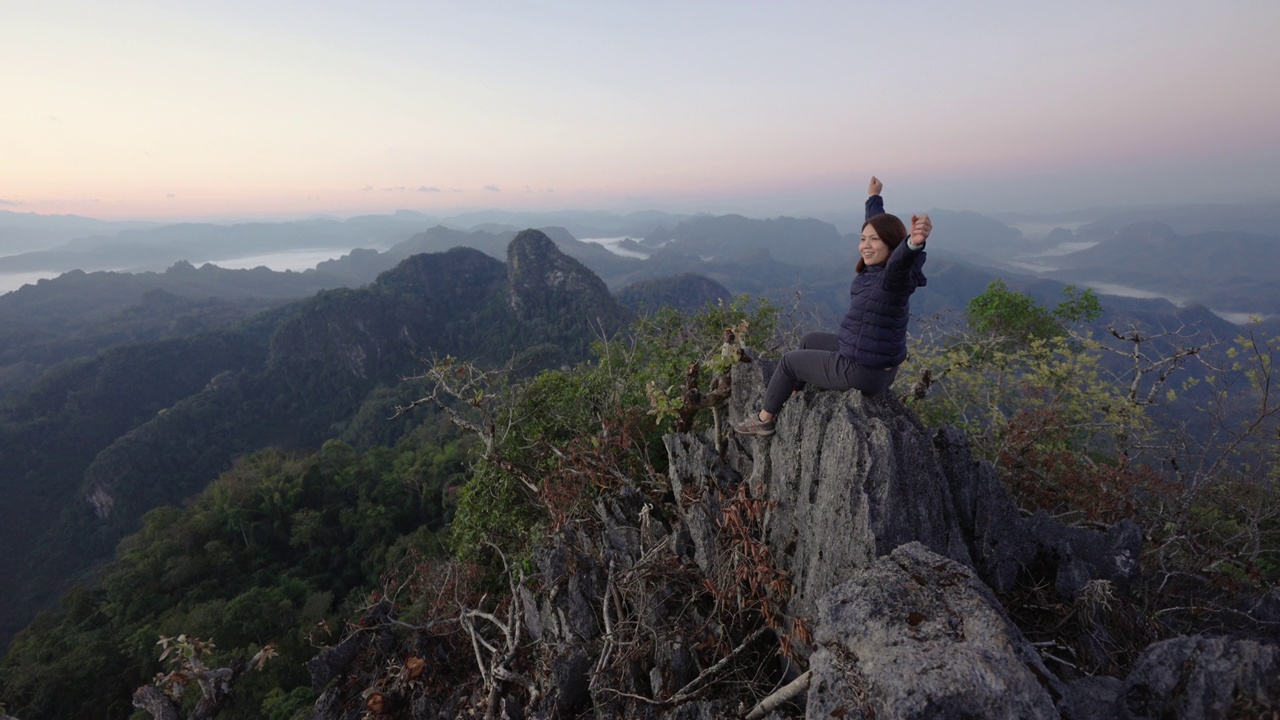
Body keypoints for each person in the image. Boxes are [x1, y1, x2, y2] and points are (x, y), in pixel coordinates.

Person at [733, 176, 931, 437]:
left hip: (863, 371)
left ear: (893, 246)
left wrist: (913, 244)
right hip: (872, 362)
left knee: (789, 362)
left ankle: (764, 419)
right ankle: (793, 392)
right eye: (863, 239)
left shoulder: (892, 279)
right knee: (809, 339)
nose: (865, 246)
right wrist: (873, 198)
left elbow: (900, 262)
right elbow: (881, 228)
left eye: (874, 241)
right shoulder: (879, 270)